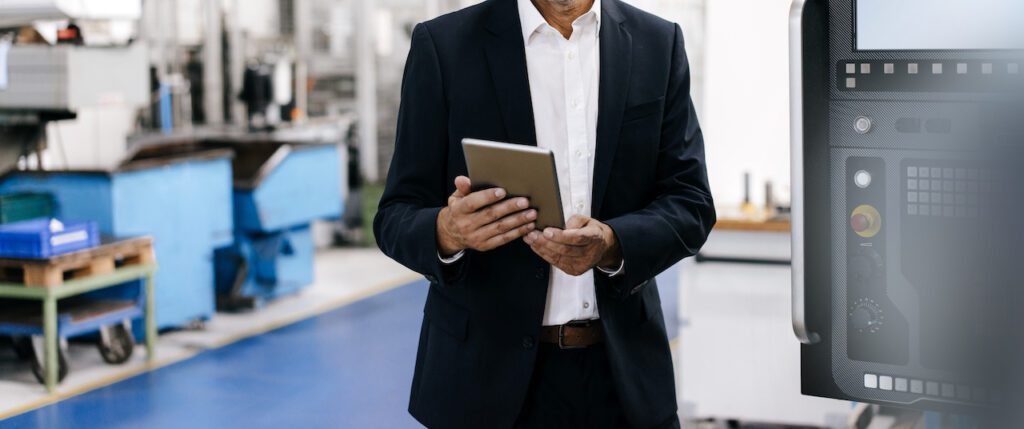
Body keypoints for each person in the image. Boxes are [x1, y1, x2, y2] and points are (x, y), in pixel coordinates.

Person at [374, 0, 715, 427]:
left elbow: (691, 203)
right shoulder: (445, 46)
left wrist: (613, 244)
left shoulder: (657, 43)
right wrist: (447, 231)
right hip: (483, 384)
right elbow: (395, 214)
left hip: (624, 380)